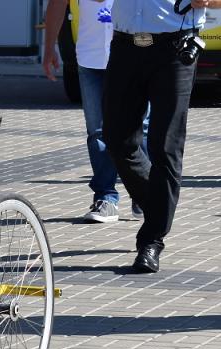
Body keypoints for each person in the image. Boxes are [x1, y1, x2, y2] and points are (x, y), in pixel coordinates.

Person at [104, 0, 221, 273]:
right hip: (125, 45)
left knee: (165, 146)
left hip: (174, 48)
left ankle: (151, 240)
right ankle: (159, 206)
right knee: (116, 139)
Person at [43, 0, 145, 223]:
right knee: (97, 131)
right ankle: (106, 197)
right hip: (92, 57)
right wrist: (49, 46)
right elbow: (57, 3)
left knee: (140, 129)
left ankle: (143, 192)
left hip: (134, 55)